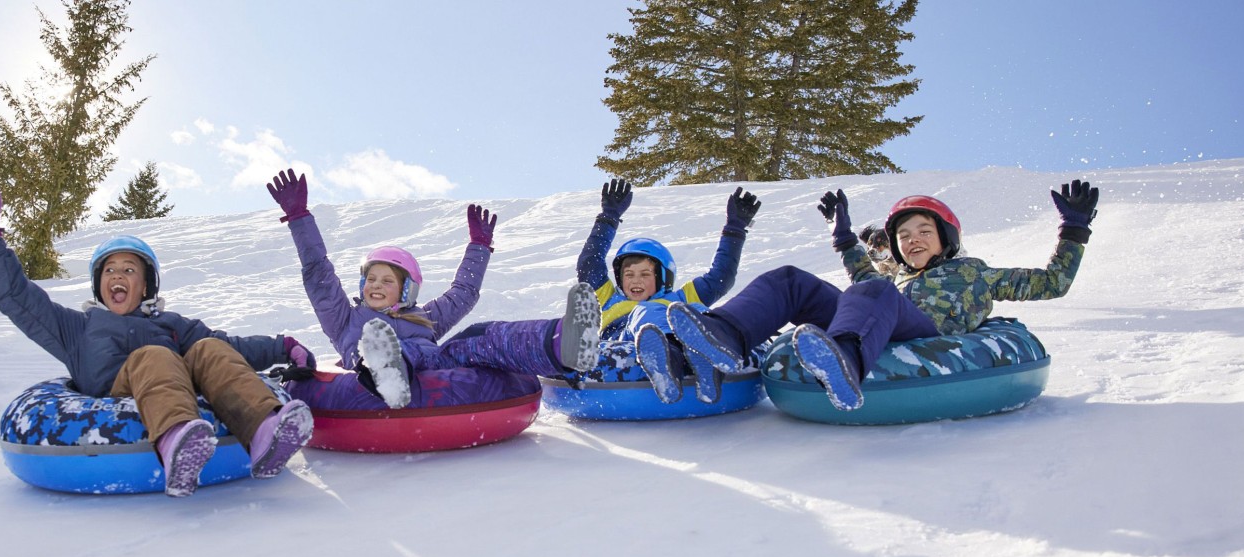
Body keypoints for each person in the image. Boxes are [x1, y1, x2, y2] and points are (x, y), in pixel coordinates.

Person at [0, 185, 314, 497]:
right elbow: (16, 298)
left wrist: (282, 347)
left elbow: (228, 349)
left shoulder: (172, 324)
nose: (118, 276)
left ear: (145, 286)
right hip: (117, 393)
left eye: (129, 270)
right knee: (154, 356)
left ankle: (266, 433)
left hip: (177, 384)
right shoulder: (76, 328)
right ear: (99, 284)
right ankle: (178, 444)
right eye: (109, 270)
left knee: (208, 348)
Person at [658, 180, 1100, 411]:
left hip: (924, 332)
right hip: (881, 315)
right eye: (904, 235)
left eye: (924, 231)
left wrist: (1074, 231)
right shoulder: (895, 277)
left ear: (945, 238)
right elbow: (864, 275)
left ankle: (845, 363)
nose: (913, 240)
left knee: (874, 289)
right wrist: (844, 235)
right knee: (789, 279)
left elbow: (1051, 282)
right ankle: (712, 343)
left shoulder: (975, 273)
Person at [266, 169, 601, 409]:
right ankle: (386, 371)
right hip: (370, 374)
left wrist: (479, 246)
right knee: (394, 347)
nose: (376, 286)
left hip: (435, 366)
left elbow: (463, 294)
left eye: (387, 280)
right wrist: (299, 217)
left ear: (406, 290)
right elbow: (318, 275)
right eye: (371, 279)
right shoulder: (344, 320)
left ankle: (562, 343)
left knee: (479, 335)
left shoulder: (424, 317)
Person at [574, 179, 763, 403]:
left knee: (697, 311)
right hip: (627, 342)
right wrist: (609, 217)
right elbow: (589, 264)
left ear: (663, 279)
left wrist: (735, 229)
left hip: (683, 337)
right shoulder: (608, 298)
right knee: (645, 313)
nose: (636, 281)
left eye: (645, 275)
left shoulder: (680, 298)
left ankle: (697, 355)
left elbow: (720, 277)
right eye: (629, 274)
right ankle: (666, 360)